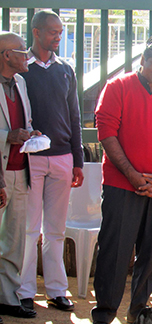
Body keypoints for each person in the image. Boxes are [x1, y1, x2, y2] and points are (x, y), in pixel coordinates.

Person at [91, 32, 152, 324]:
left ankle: (139, 314)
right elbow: (106, 133)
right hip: (121, 184)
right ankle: (105, 314)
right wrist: (133, 176)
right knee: (115, 252)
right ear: (143, 58)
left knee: (150, 255)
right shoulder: (117, 87)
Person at [17, 10, 84, 312]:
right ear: (36, 32)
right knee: (29, 229)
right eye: (53, 32)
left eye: (60, 31)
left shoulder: (66, 69)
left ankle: (57, 291)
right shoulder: (21, 70)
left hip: (62, 158)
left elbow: (75, 116)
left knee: (55, 228)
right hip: (29, 159)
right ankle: (24, 291)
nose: (58, 36)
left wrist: (78, 160)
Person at [0, 31, 41, 320]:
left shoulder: (21, 83)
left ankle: (7, 298)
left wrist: (30, 134)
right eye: (22, 51)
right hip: (1, 173)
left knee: (14, 241)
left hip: (20, 169)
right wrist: (8, 136)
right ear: (6, 55)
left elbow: (22, 122)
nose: (27, 55)